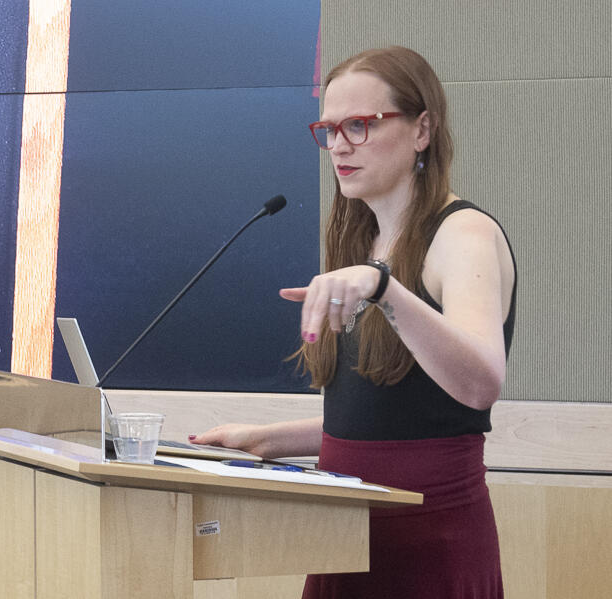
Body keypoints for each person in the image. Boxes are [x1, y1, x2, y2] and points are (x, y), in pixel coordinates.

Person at [190, 46, 516, 598]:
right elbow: (390, 424)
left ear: (422, 130)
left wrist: (383, 287)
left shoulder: (464, 235)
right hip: (344, 536)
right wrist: (266, 441)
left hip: (427, 544)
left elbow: (480, 384)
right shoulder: (362, 240)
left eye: (360, 125)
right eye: (329, 128)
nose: (339, 145)